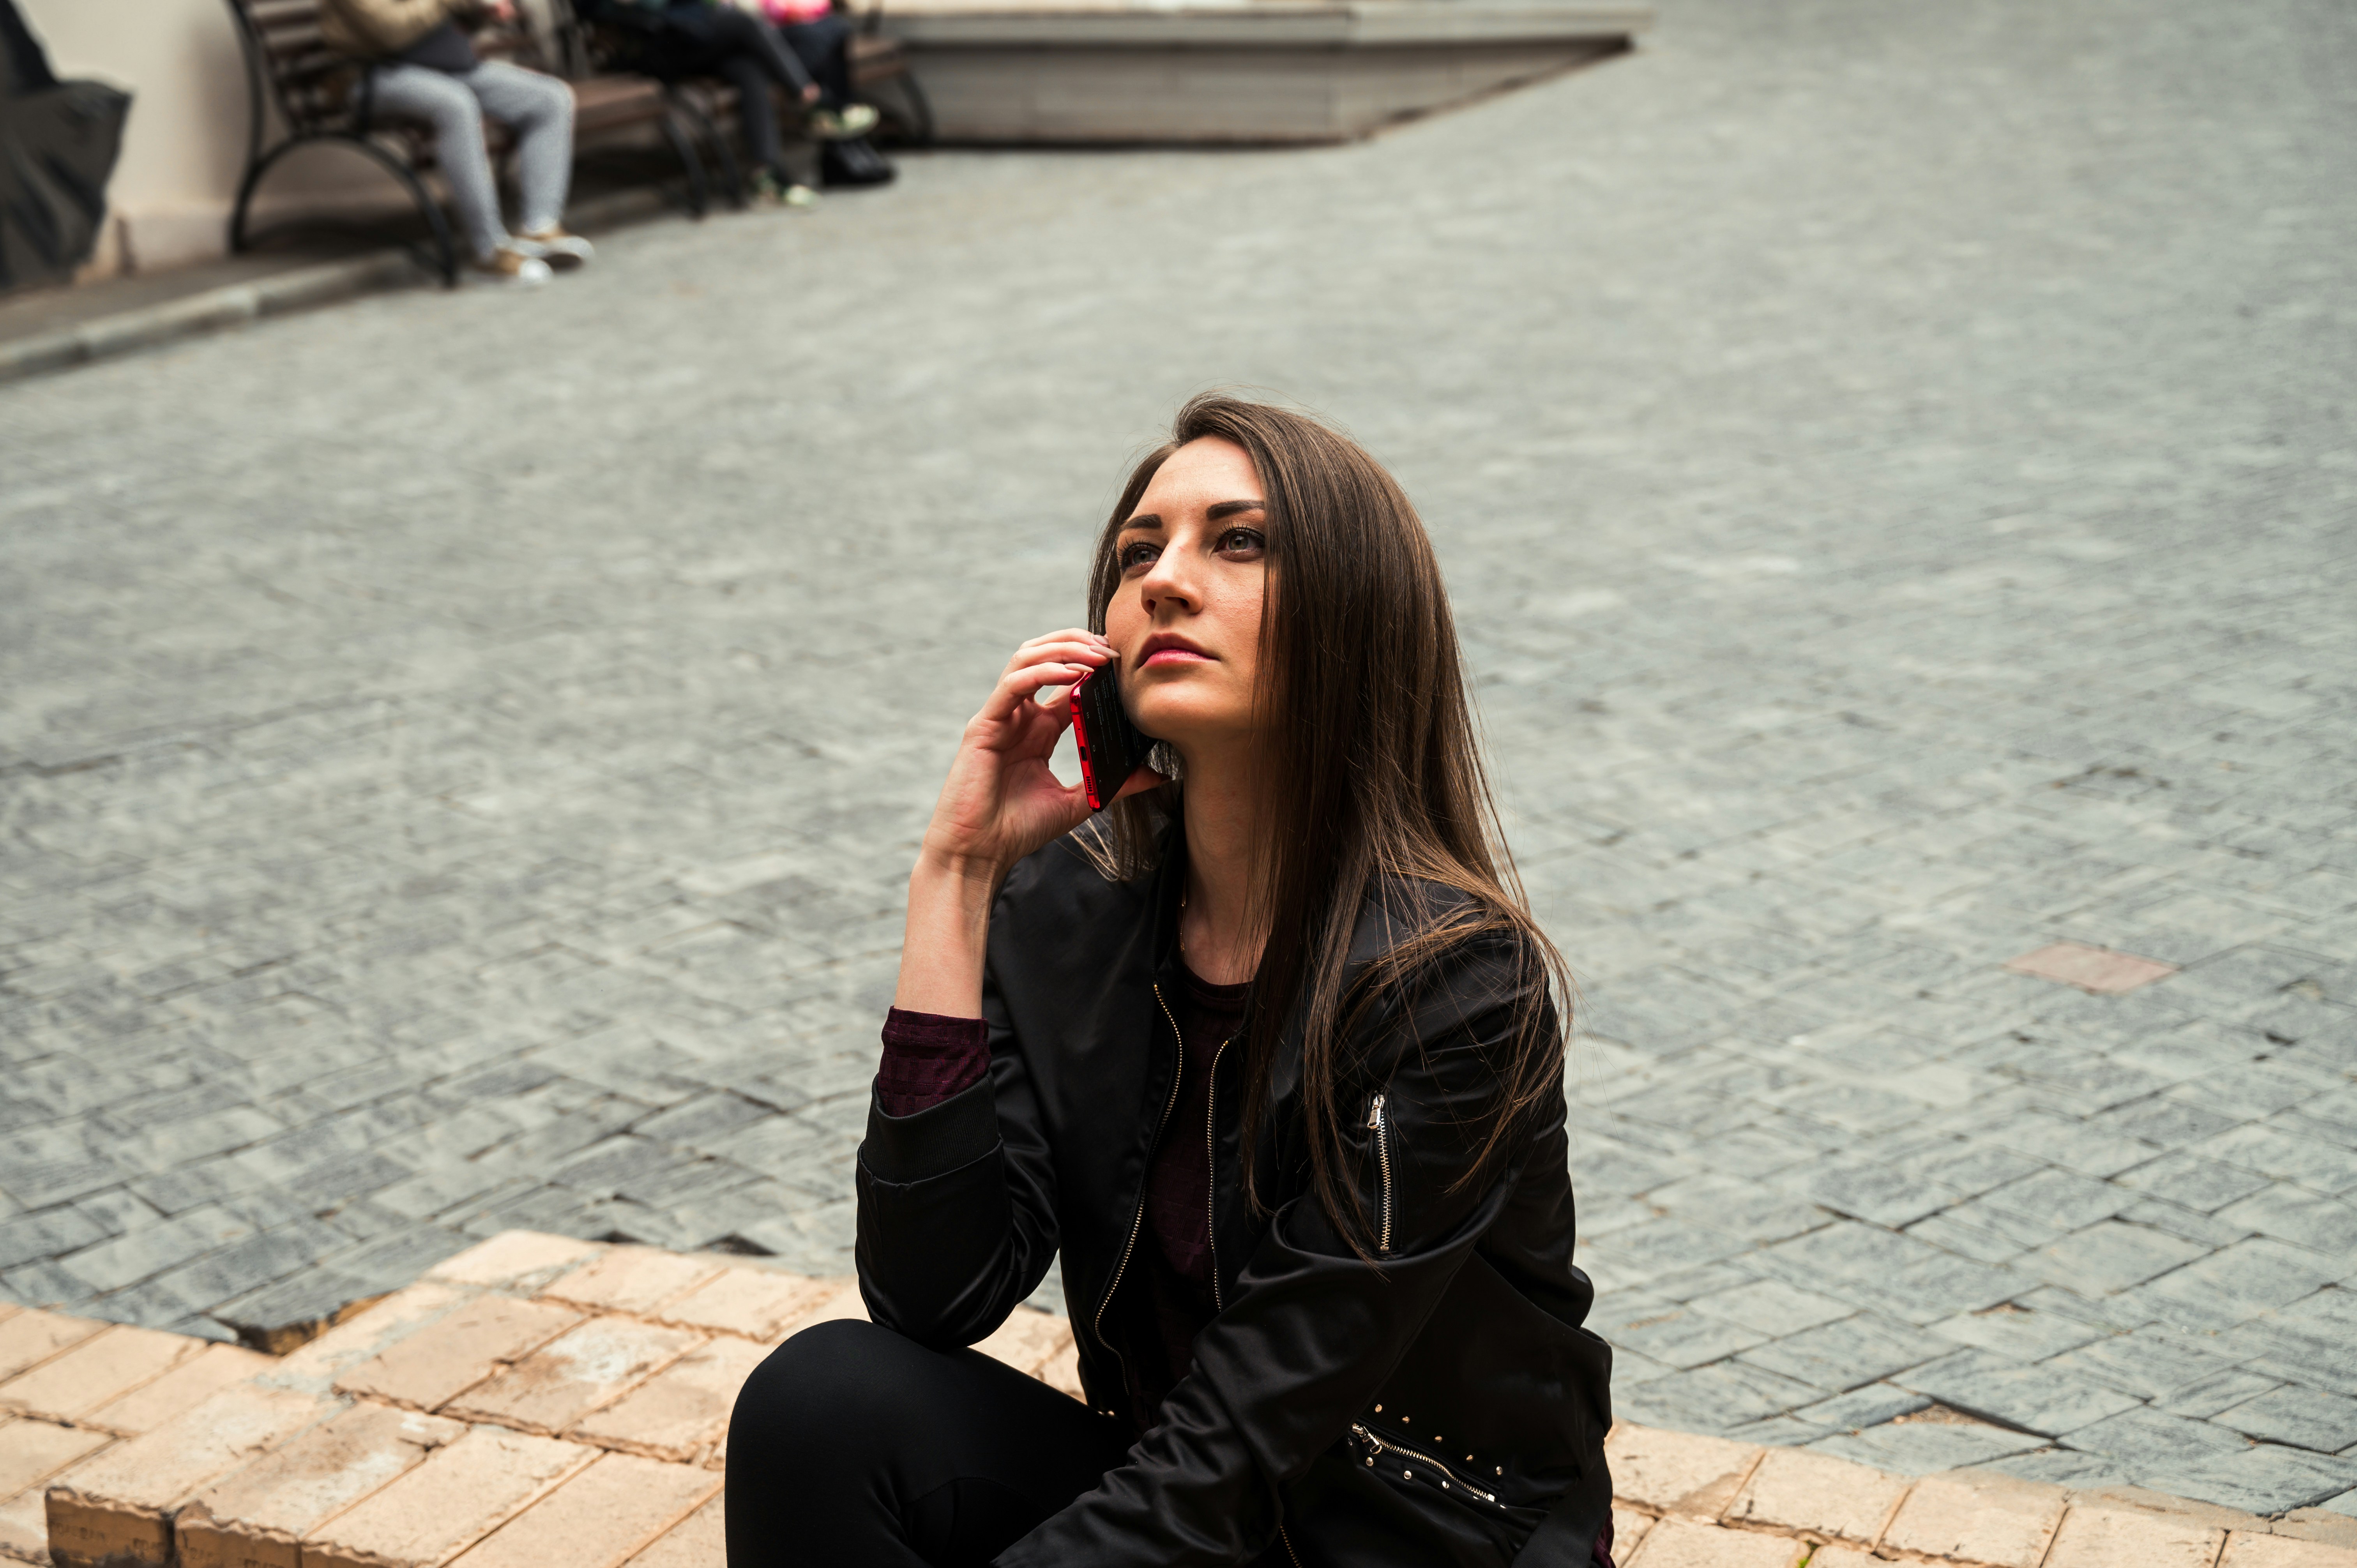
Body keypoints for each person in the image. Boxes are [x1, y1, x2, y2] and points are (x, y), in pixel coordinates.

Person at [724, 394, 1617, 1567]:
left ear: (1356, 610)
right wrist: (956, 877)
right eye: (1139, 550)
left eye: (1237, 541)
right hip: (1192, 1510)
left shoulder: (1451, 985)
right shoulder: (1070, 911)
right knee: (824, 1400)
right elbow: (934, 1296)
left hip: (1404, 1539)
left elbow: (1242, 1448)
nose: (1165, 579)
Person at [319, 0, 593, 285]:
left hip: (445, 66)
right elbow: (392, 31)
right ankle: (489, 250)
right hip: (376, 76)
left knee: (550, 99)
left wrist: (480, 11)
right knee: (456, 105)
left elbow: (450, 19)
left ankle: (540, 227)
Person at [579, 0, 878, 207]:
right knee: (742, 25)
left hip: (691, 35)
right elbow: (601, 11)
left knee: (748, 67)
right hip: (653, 43)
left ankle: (768, 177)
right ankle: (813, 102)